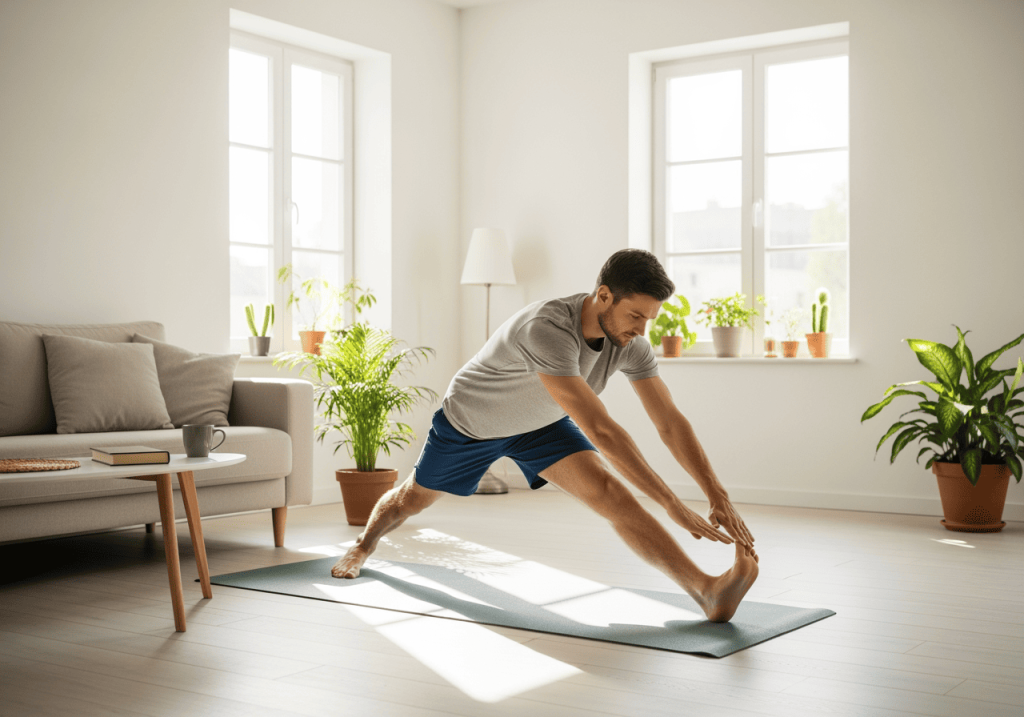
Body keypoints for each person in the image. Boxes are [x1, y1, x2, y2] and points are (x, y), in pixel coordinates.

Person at [331, 249, 758, 622]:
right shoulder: (548, 327)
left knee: (611, 492)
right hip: (471, 424)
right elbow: (602, 429)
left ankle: (707, 591)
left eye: (649, 319)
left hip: (539, 424)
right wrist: (671, 504)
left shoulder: (630, 342)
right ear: (603, 295)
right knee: (411, 499)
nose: (641, 331)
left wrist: (716, 493)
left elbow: (669, 420)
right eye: (635, 316)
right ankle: (364, 544)